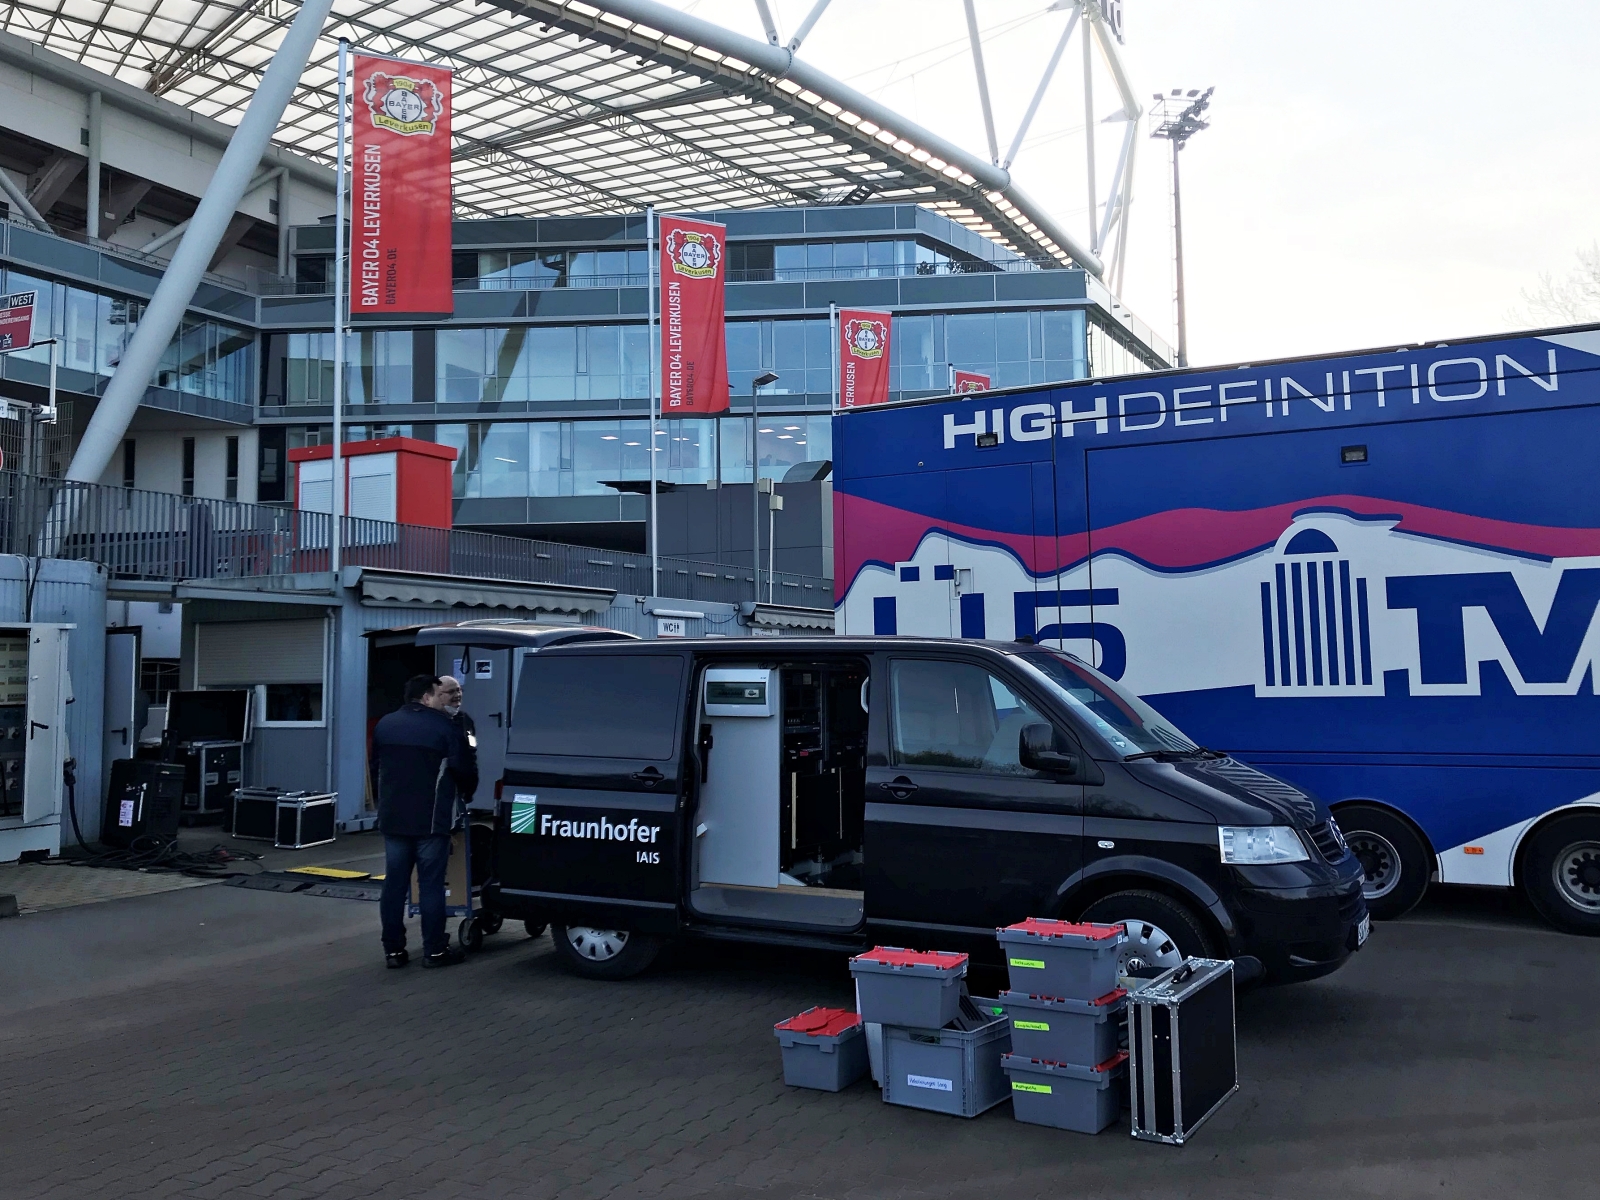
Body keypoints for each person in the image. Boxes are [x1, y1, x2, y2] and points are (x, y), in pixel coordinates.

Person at [372, 674, 476, 969]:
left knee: (394, 885)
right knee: (430, 886)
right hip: (431, 820)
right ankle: (434, 951)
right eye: (438, 694)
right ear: (427, 696)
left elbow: (375, 766)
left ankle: (393, 951)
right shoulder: (445, 727)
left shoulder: (385, 724)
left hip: (392, 819)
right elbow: (463, 770)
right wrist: (467, 796)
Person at [437, 675, 479, 809]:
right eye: (451, 692)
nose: (457, 695)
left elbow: (472, 747)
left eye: (459, 690)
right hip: (440, 786)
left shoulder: (465, 719)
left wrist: (470, 784)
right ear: (438, 695)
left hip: (461, 783)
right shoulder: (432, 721)